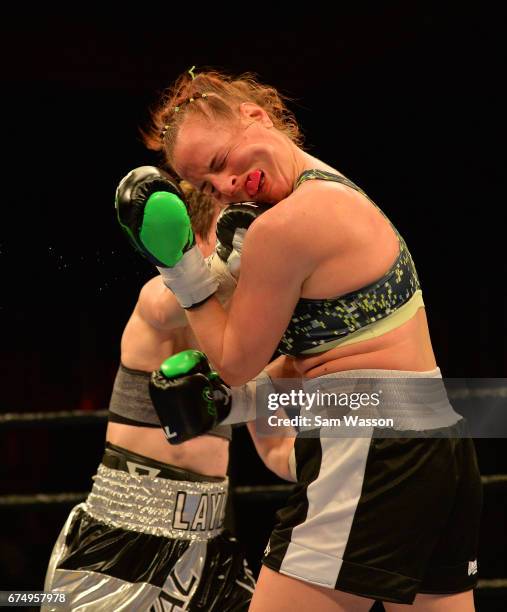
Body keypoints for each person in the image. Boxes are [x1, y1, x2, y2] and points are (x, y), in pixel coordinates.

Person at [126, 69, 482, 611]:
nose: (223, 187)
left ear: (256, 116)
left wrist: (185, 273)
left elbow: (236, 361)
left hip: (373, 447)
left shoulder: (284, 227)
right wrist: (239, 402)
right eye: (204, 185)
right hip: (436, 444)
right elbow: (321, 357)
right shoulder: (333, 191)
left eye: (220, 163)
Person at [42, 181, 283, 611]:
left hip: (209, 546)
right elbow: (166, 304)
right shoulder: (156, 301)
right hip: (124, 541)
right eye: (229, 231)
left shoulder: (244, 337)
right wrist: (230, 265)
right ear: (190, 238)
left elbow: (273, 449)